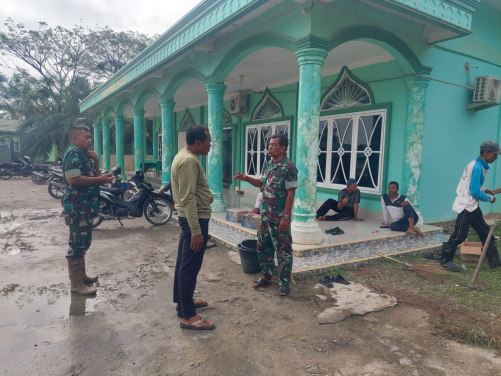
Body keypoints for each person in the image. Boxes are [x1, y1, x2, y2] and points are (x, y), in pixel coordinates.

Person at [234, 134, 297, 296]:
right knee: (263, 247)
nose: (270, 147)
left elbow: (290, 194)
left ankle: (284, 282)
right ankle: (267, 276)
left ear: (283, 148)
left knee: (283, 250)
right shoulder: (268, 164)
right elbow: (261, 184)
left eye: (274, 145)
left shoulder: (289, 168)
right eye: (269, 144)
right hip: (265, 215)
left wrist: (286, 217)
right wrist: (247, 178)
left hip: (279, 217)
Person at [171, 125, 215, 330]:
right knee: (190, 267)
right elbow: (187, 197)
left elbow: (189, 190)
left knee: (183, 262)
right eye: (208, 141)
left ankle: (183, 301)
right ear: (197, 142)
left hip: (191, 217)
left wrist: (206, 196)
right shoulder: (189, 161)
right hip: (194, 220)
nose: (210, 145)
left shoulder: (184, 155)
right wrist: (196, 231)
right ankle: (187, 316)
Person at [433, 141, 501, 272]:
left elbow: (471, 186)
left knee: (485, 233)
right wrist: (490, 198)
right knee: (459, 236)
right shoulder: (477, 168)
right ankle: (445, 261)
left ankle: (495, 261)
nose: (496, 158)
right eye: (495, 154)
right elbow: (474, 192)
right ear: (486, 153)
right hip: (467, 206)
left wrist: (484, 189)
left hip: (472, 206)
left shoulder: (475, 164)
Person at [62, 125, 113, 295]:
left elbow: (94, 175)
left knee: (83, 242)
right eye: (86, 137)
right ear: (74, 139)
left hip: (86, 206)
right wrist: (99, 179)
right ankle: (76, 285)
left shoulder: (84, 155)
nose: (90, 140)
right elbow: (73, 179)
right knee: (77, 244)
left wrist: (96, 161)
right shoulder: (73, 154)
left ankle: (82, 277)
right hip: (78, 207)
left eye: (90, 137)